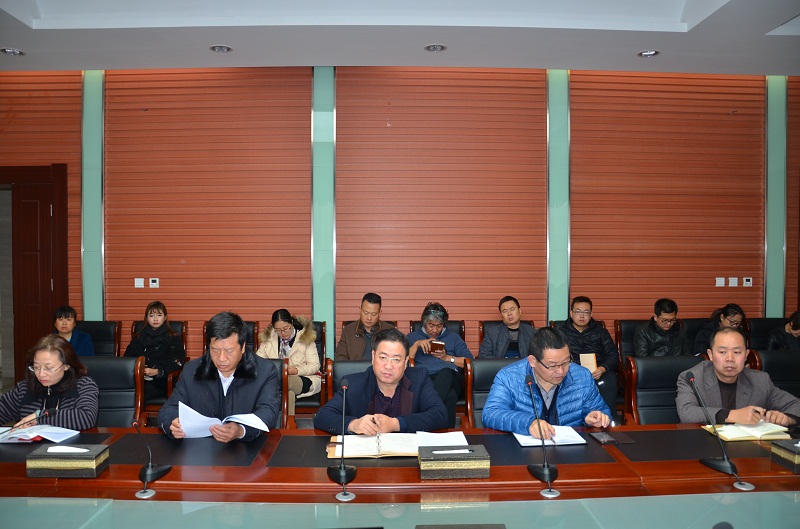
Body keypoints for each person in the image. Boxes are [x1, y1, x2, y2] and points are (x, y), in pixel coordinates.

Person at [158, 311, 280, 442]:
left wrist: (241, 430)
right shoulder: (192, 370)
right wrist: (173, 423)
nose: (221, 358)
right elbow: (168, 409)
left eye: (229, 351)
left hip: (247, 447)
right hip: (201, 448)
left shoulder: (265, 372)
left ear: (243, 347)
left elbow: (268, 412)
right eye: (215, 350)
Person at [482, 327, 611, 438]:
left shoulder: (582, 376)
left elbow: (602, 411)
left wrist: (594, 418)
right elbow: (491, 414)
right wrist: (529, 423)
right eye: (552, 365)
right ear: (533, 361)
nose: (561, 371)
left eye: (566, 362)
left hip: (570, 451)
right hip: (523, 452)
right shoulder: (509, 377)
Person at [314, 328, 447, 434]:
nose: (388, 366)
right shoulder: (353, 384)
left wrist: (396, 424)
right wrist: (353, 424)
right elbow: (322, 416)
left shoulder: (419, 379)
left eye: (396, 359)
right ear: (373, 357)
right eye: (383, 357)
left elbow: (440, 415)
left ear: (406, 362)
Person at [677, 326, 800, 426]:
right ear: (710, 354)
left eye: (737, 352)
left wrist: (787, 418)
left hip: (747, 447)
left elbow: (795, 405)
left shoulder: (760, 380)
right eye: (722, 352)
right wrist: (732, 415)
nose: (730, 358)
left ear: (746, 355)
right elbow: (687, 413)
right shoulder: (693, 378)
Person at [0, 335, 98, 430]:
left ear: (66, 366)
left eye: (49, 368)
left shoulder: (83, 385)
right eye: (36, 367)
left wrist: (39, 417)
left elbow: (86, 417)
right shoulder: (24, 388)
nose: (41, 374)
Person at [407, 302, 473, 428]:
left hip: (452, 378)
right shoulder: (412, 337)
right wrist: (416, 345)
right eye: (431, 325)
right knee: (450, 395)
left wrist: (447, 358)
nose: (435, 330)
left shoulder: (454, 337)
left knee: (446, 373)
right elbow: (402, 361)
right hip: (425, 380)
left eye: (439, 326)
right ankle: (446, 433)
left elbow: (469, 362)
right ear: (424, 322)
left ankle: (424, 416)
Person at [556, 296, 619, 413]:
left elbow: (613, 355)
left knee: (610, 380)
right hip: (571, 372)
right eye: (578, 312)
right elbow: (556, 356)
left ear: (591, 314)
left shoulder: (601, 332)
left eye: (586, 312)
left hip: (598, 373)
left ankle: (607, 418)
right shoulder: (561, 333)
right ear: (571, 313)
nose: (582, 316)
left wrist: (602, 368)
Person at [256, 309, 320, 415]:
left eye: (286, 328)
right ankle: (288, 421)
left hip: (303, 378)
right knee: (289, 392)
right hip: (278, 380)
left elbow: (315, 365)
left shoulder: (305, 338)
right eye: (278, 330)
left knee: (286, 381)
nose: (282, 333)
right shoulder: (269, 339)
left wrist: (296, 370)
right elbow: (258, 362)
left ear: (291, 323)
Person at [123, 301, 185, 401]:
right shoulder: (139, 337)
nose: (155, 319)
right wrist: (140, 369)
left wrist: (157, 371)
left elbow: (177, 361)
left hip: (160, 381)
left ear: (165, 317)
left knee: (134, 394)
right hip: (138, 378)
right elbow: (127, 358)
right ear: (147, 318)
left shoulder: (173, 337)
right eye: (151, 316)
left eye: (159, 315)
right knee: (124, 389)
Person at [336, 292, 395, 360]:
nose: (369, 318)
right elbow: (340, 358)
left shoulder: (389, 330)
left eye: (373, 314)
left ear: (380, 313)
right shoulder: (348, 331)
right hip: (355, 367)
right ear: (360, 310)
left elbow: (396, 356)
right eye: (366, 313)